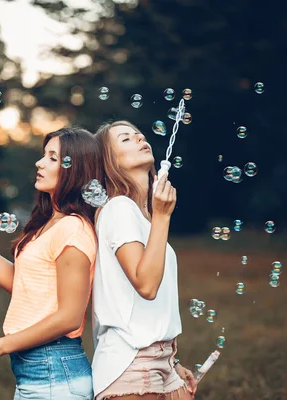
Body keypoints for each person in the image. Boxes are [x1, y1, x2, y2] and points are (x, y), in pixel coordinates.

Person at [0, 127, 102, 400]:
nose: (40, 163)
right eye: (44, 155)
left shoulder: (73, 229)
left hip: (55, 373)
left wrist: (3, 345)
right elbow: (23, 285)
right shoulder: (49, 223)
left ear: (75, 170)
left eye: (53, 158)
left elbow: (69, 316)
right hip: (38, 372)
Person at [91, 120, 198, 400]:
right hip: (131, 362)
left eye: (138, 133)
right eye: (125, 139)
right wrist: (163, 216)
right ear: (109, 162)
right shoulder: (118, 208)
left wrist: (173, 361)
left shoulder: (143, 217)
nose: (139, 137)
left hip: (163, 360)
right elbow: (146, 285)